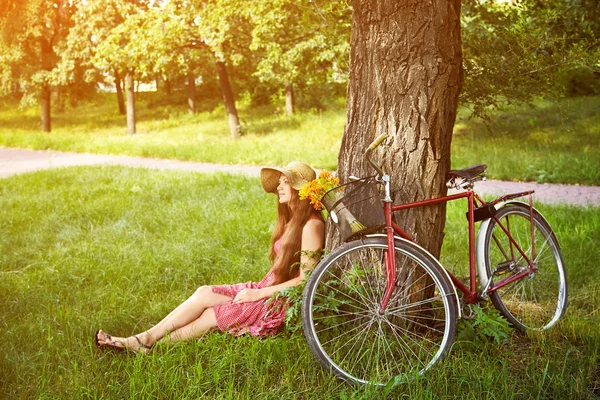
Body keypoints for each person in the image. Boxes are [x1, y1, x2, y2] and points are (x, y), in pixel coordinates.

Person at [94, 162, 325, 353]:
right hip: (267, 287)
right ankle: (143, 340)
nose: (279, 187)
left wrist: (257, 294)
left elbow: (305, 281)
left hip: (279, 301)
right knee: (204, 292)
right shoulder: (292, 219)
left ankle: (143, 344)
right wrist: (256, 290)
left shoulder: (311, 226)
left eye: (287, 182)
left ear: (301, 190)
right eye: (281, 181)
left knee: (211, 315)